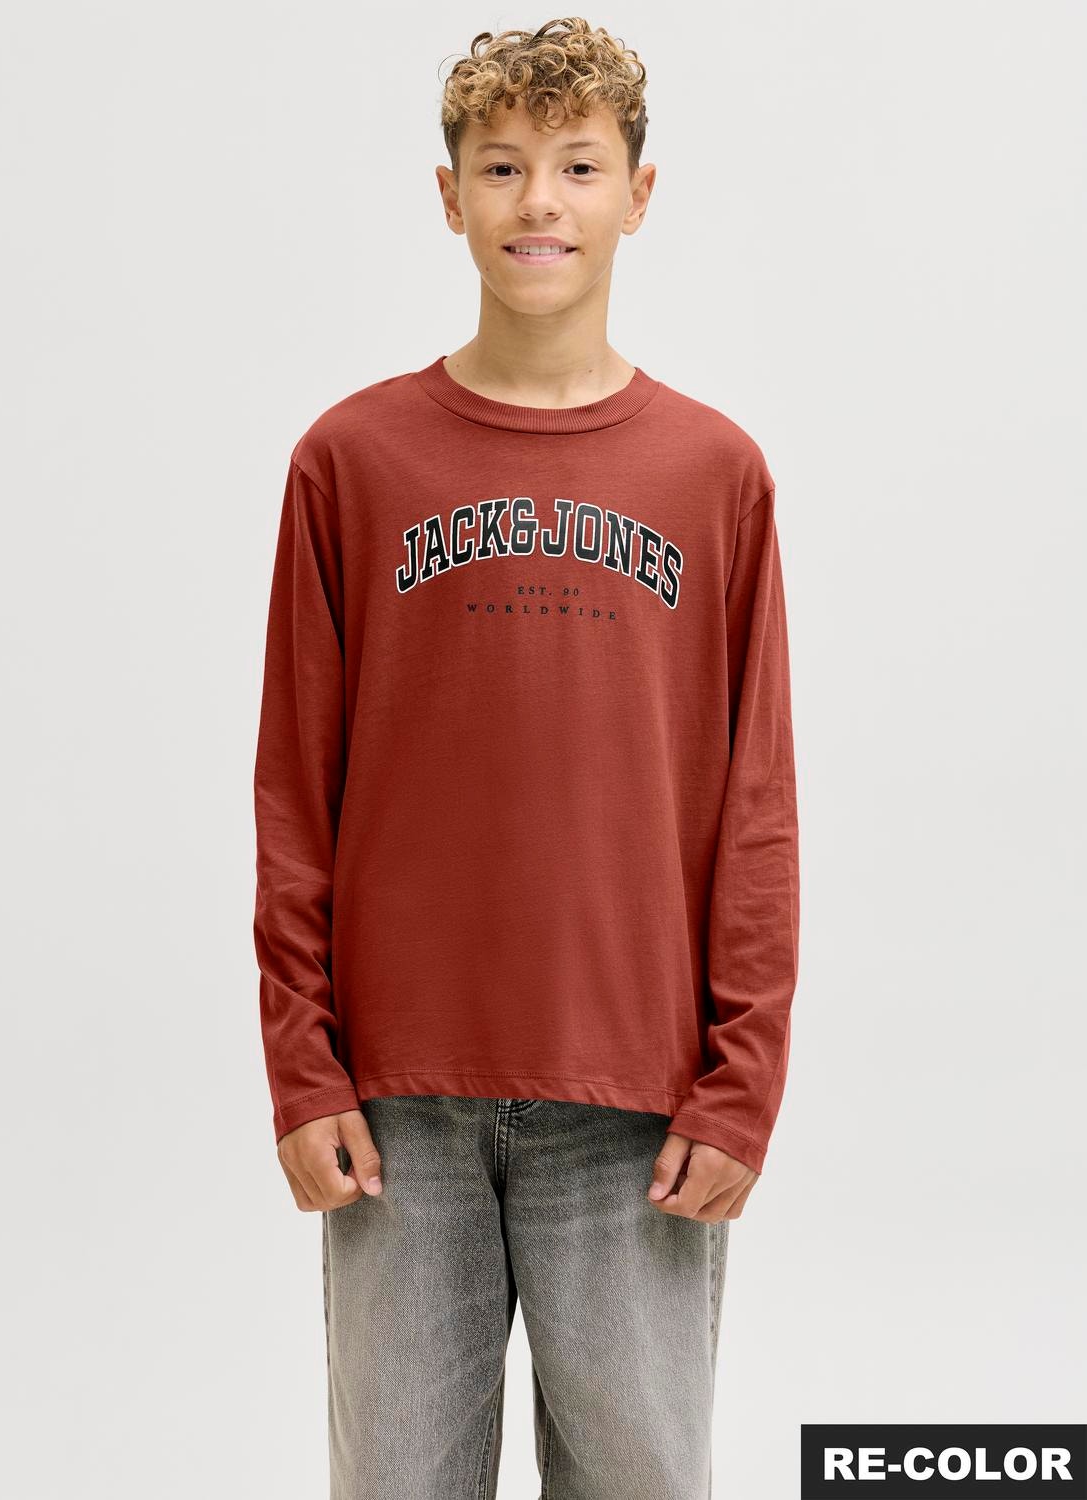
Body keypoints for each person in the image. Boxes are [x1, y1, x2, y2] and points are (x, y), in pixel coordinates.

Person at [252, 16, 800, 1498]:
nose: (538, 201)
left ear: (638, 193)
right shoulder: (351, 463)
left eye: (576, 165)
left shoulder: (713, 474)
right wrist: (302, 1066)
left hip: (637, 1102)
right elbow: (295, 792)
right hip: (393, 1105)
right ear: (449, 197)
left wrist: (741, 1081)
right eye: (500, 167)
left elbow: (757, 806)